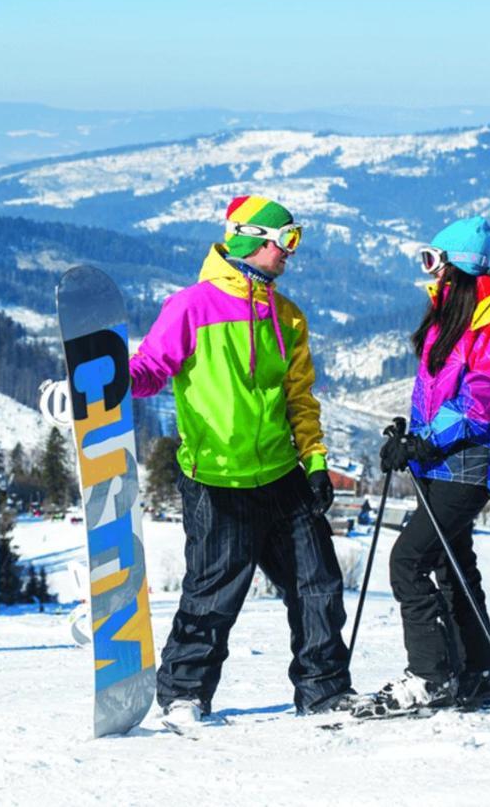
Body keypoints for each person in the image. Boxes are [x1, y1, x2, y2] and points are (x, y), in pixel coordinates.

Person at [130, 194, 354, 725]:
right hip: (216, 477)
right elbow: (152, 368)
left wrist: (316, 463)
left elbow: (300, 398)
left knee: (318, 583)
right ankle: (184, 693)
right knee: (212, 593)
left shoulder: (287, 317)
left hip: (281, 475)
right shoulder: (191, 306)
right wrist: (108, 384)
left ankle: (324, 692)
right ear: (252, 239)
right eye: (287, 240)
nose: (291, 254)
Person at [367, 215, 490, 715]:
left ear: (456, 266)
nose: (428, 272)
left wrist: (425, 440)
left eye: (433, 261)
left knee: (408, 560)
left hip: (468, 464)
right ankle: (477, 669)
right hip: (441, 461)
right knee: (451, 563)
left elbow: (482, 402)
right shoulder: (453, 314)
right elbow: (439, 391)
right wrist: (412, 436)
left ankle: (430, 676)